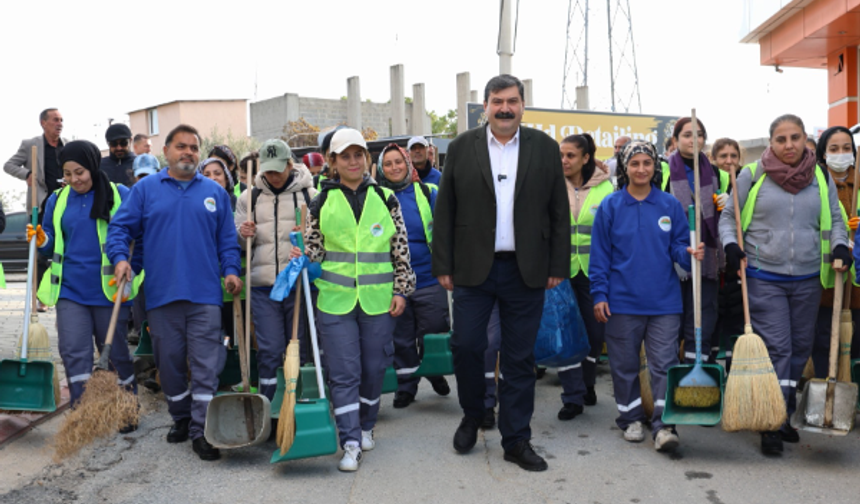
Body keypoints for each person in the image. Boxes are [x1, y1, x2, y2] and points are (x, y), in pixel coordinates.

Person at [432, 74, 569, 472]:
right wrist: (443, 265)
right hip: (473, 269)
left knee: (519, 359)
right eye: (497, 101)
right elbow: (446, 212)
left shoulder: (544, 148)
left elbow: (558, 212)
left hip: (527, 271)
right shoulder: (461, 147)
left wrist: (557, 265)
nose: (504, 108)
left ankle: (516, 439)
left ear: (522, 105)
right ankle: (473, 415)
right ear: (486, 106)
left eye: (511, 101)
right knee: (468, 347)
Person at [107, 124, 242, 461]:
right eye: (181, 147)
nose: (188, 153)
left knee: (206, 365)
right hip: (163, 295)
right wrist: (121, 258)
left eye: (194, 148)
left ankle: (202, 431)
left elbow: (227, 240)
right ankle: (181, 417)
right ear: (165, 151)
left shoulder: (215, 193)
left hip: (206, 296)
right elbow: (120, 228)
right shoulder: (146, 190)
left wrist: (231, 271)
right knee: (168, 365)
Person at [719, 114, 850, 455]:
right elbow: (729, 217)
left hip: (808, 277)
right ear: (771, 143)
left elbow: (836, 218)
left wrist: (840, 244)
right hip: (764, 276)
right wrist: (731, 245)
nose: (788, 145)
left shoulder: (820, 176)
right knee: (778, 347)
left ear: (805, 139)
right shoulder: (752, 175)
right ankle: (772, 423)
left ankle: (783, 411)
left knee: (799, 348)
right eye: (781, 139)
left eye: (795, 138)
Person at [302, 128, 413, 472]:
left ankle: (366, 425)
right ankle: (349, 440)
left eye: (358, 155)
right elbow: (315, 251)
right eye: (344, 156)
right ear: (333, 162)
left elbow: (400, 248)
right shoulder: (320, 200)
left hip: (379, 301)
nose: (352, 161)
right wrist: (302, 253)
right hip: (335, 302)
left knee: (373, 367)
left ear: (366, 158)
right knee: (344, 371)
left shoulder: (385, 198)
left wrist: (401, 289)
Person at [590, 141, 704, 452]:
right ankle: (630, 419)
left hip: (664, 302)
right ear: (625, 168)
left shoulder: (668, 205)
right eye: (635, 163)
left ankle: (665, 425)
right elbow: (599, 257)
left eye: (647, 163)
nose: (641, 169)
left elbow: (678, 248)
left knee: (664, 363)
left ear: (655, 167)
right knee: (624, 364)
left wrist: (689, 253)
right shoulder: (610, 207)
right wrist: (599, 293)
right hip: (621, 301)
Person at [31, 140, 141, 423]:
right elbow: (52, 243)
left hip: (109, 290)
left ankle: (126, 409)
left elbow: (137, 233)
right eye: (67, 174)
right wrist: (42, 241)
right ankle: (83, 413)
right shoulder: (58, 199)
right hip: (70, 291)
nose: (73, 179)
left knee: (117, 353)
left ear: (91, 166)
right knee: (73, 352)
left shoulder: (119, 194)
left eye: (79, 172)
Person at [235, 139, 317, 406]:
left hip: (299, 286)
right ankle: (269, 406)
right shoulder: (249, 197)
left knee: (299, 347)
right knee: (270, 349)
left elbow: (320, 242)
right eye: (268, 170)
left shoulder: (310, 196)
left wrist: (307, 240)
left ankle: (300, 402)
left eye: (278, 170)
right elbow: (237, 243)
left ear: (290, 165)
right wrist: (242, 234)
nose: (273, 176)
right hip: (263, 286)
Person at [374, 143, 451, 409]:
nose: (394, 167)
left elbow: (444, 232)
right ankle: (406, 386)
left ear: (408, 164)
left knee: (434, 328)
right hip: (394, 282)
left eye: (399, 162)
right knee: (402, 337)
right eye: (388, 163)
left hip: (429, 277)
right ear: (381, 169)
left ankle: (433, 370)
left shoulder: (429, 192)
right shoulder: (375, 197)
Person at [556, 133, 612, 420]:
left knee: (593, 334)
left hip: (595, 274)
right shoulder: (552, 186)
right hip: (560, 274)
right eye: (561, 155)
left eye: (570, 156)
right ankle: (572, 397)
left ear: (586, 158)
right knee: (566, 334)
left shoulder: (606, 189)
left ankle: (587, 383)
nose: (564, 161)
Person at [665, 117, 727, 367]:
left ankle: (696, 375)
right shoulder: (662, 170)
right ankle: (668, 377)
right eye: (688, 135)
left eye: (699, 135)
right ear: (675, 139)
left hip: (707, 257)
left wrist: (726, 204)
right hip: (671, 260)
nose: (694, 140)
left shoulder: (715, 173)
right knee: (672, 323)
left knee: (703, 321)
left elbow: (726, 215)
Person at [5, 108, 67, 312]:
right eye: (55, 120)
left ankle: (64, 295)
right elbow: (9, 165)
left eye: (61, 120)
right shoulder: (31, 144)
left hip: (64, 205)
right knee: (40, 254)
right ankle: (41, 298)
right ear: (43, 123)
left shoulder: (67, 146)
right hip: (40, 205)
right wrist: (27, 174)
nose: (59, 123)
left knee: (65, 249)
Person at [814, 127, 860, 375]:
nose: (841, 154)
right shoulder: (815, 183)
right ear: (823, 154)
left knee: (857, 344)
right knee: (823, 342)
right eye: (834, 149)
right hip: (825, 279)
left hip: (858, 280)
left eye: (846, 148)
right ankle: (825, 386)